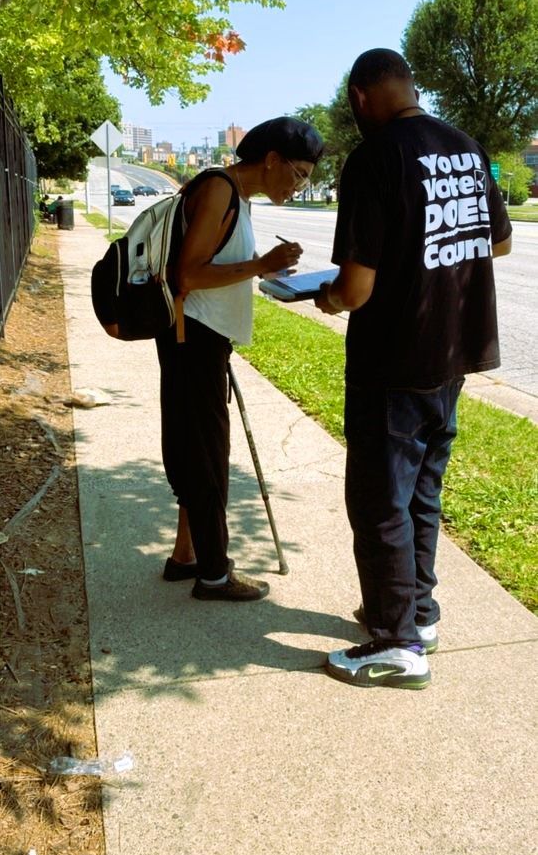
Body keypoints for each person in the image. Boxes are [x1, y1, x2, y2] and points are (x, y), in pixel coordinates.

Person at [315, 48, 512, 688]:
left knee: (378, 502)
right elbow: (500, 239)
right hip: (452, 353)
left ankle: (396, 642)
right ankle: (416, 611)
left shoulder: (375, 157)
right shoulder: (465, 146)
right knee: (421, 492)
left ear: (361, 96)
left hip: (392, 362)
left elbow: (357, 289)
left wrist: (325, 296)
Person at [158, 116, 324, 601]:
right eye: (297, 174)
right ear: (271, 160)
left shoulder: (235, 195)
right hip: (194, 341)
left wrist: (265, 274)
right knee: (207, 458)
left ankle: (185, 555)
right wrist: (261, 266)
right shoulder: (218, 189)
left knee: (195, 451)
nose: (298, 187)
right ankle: (213, 575)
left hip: (204, 338)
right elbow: (188, 275)